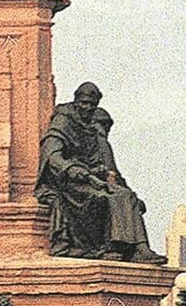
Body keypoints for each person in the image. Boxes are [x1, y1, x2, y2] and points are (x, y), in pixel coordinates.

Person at [35, 82, 166, 263]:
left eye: (92, 104)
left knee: (127, 196)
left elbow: (111, 170)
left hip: (91, 179)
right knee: (106, 198)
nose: (87, 108)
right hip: (68, 182)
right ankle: (112, 246)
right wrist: (71, 168)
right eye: (84, 103)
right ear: (76, 101)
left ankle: (140, 248)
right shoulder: (64, 121)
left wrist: (117, 183)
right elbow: (52, 156)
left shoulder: (94, 129)